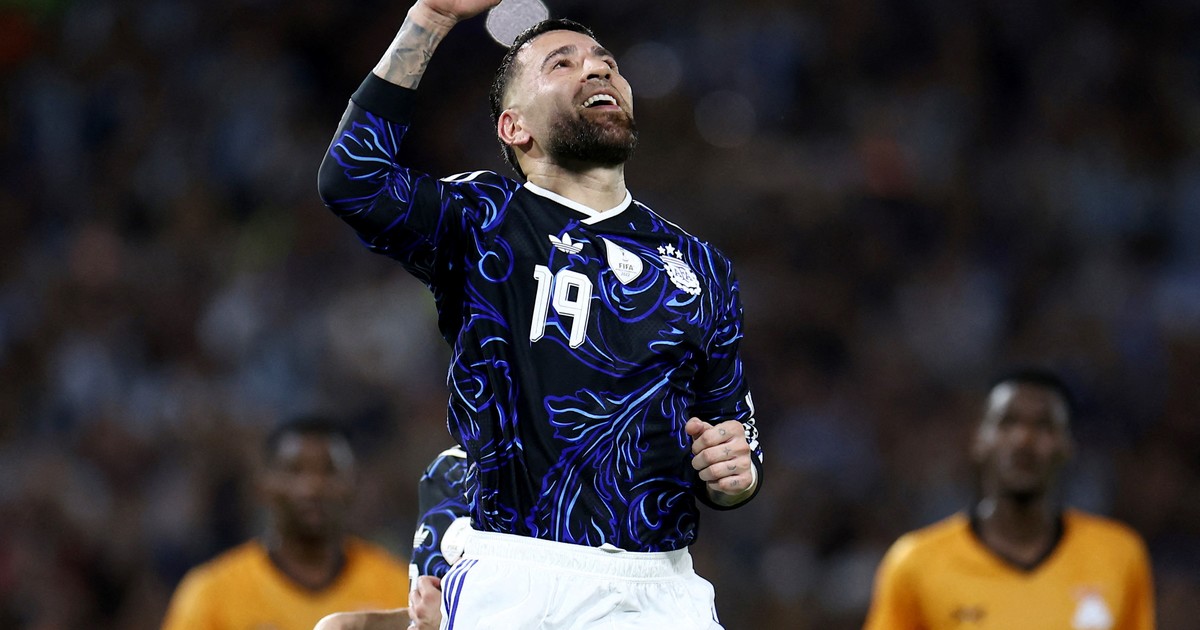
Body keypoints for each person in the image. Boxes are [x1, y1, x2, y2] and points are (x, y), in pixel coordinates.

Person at [317, 1, 765, 627]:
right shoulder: (485, 219)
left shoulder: (700, 266)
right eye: (563, 63)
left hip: (666, 588)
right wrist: (431, 18)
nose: (598, 69)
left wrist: (736, 474)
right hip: (520, 579)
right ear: (514, 128)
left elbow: (731, 434)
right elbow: (353, 180)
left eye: (606, 63)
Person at [863, 369, 1156, 630]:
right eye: (1007, 422)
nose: (1023, 440)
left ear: (1067, 444)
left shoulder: (1118, 555)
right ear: (979, 439)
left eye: (1043, 425)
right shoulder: (916, 564)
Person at [161, 416, 409, 630]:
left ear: (353, 484)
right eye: (294, 470)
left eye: (329, 471)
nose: (312, 487)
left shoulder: (399, 588)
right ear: (264, 485)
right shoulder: (211, 594)